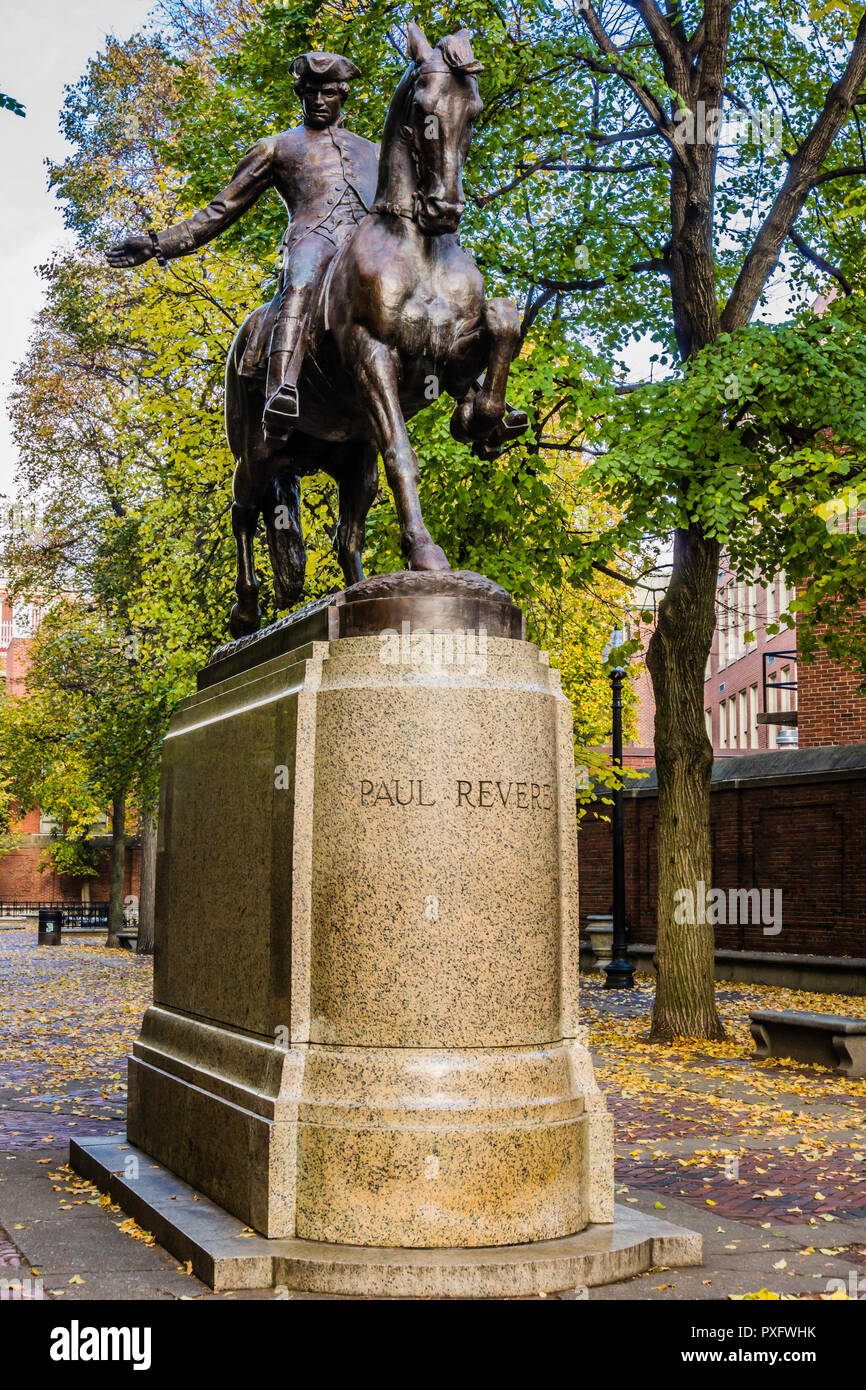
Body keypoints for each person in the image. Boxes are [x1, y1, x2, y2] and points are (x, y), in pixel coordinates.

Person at [107, 52, 379, 439]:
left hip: (368, 250)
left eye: (329, 93)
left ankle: (463, 384)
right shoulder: (276, 148)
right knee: (300, 283)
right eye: (310, 93)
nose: (319, 101)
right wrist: (157, 244)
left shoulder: (373, 152)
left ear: (343, 95)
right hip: (313, 240)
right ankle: (281, 388)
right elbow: (220, 210)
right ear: (300, 95)